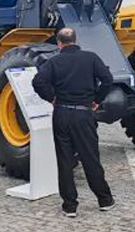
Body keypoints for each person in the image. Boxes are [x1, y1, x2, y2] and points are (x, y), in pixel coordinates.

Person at [32, 27, 115, 218]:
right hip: (84, 114)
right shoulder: (91, 58)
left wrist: (51, 97)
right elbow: (107, 79)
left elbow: (38, 82)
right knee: (90, 158)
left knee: (64, 161)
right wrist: (97, 100)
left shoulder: (54, 62)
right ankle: (104, 199)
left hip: (61, 113)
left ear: (59, 43)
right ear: (75, 40)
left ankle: (69, 206)